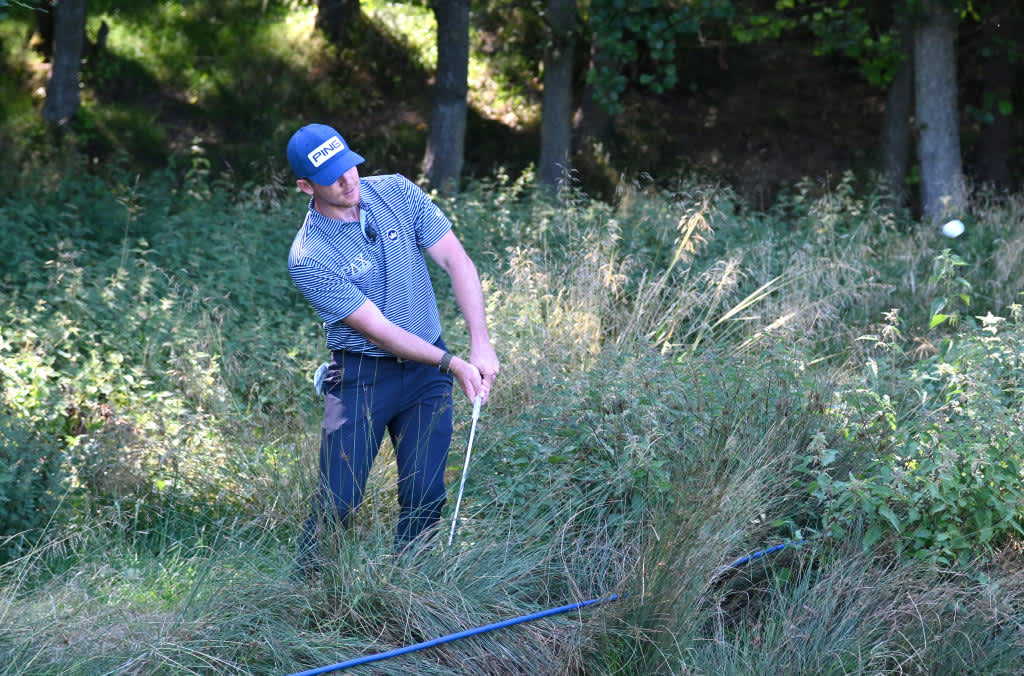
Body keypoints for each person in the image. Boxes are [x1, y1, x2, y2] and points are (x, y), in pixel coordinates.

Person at [285, 123, 499, 568]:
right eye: (333, 177)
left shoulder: (397, 192)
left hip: (426, 376)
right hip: (363, 377)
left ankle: (410, 591)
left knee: (425, 492)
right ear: (306, 186)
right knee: (339, 499)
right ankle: (306, 593)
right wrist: (453, 363)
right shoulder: (310, 255)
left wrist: (480, 344)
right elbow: (380, 331)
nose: (348, 181)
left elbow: (456, 260)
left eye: (351, 167)